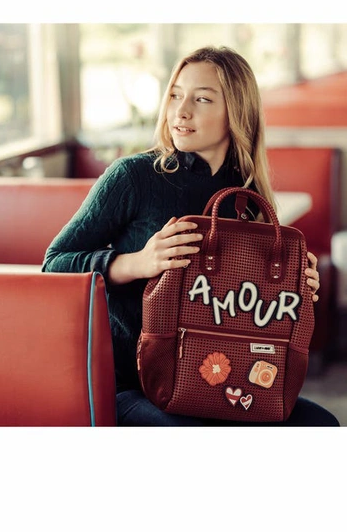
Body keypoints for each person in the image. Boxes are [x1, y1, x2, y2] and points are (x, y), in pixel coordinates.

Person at [42, 46, 339, 427]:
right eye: (176, 95)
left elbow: (249, 307)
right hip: (135, 386)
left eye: (201, 99)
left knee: (321, 425)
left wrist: (296, 287)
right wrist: (136, 263)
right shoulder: (134, 176)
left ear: (237, 112)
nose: (181, 111)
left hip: (224, 380)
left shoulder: (248, 197)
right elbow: (54, 265)